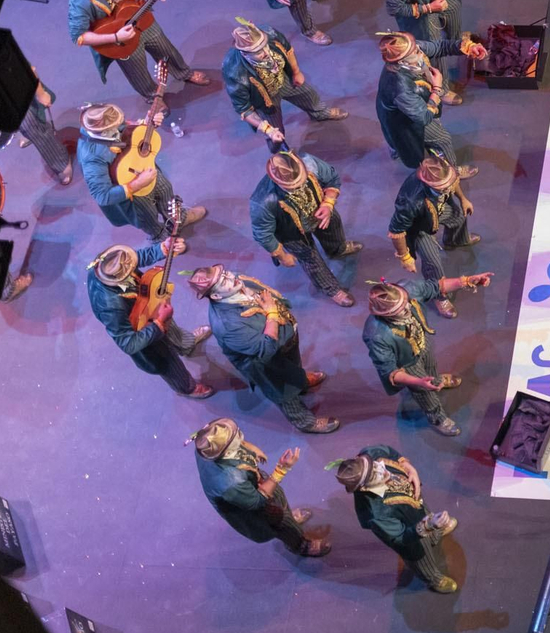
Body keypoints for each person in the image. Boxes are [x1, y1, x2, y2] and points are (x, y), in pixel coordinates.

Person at [188, 264, 340, 434]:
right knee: (283, 391)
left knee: (294, 367)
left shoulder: (235, 282)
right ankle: (305, 422)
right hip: (266, 362)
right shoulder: (228, 325)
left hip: (284, 342)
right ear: (215, 295)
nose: (232, 277)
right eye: (223, 280)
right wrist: (272, 313)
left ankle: (301, 381)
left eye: (225, 273)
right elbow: (266, 349)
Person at [66, 0, 210, 111]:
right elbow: (79, 37)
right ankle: (153, 97)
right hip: (119, 40)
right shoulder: (79, 1)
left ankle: (184, 73)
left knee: (166, 50)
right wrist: (116, 37)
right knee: (137, 71)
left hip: (143, 19)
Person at [362, 278, 491, 437]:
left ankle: (437, 381)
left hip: (422, 340)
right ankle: (437, 418)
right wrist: (418, 382)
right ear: (386, 314)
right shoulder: (376, 335)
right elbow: (390, 371)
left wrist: (466, 281)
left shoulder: (408, 289)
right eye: (399, 309)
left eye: (405, 302)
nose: (406, 307)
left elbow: (438, 286)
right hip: (407, 363)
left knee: (431, 367)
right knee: (424, 392)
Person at [87, 241, 214, 399]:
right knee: (168, 363)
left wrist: (163, 248)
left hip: (147, 308)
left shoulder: (109, 262)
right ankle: (186, 388)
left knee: (171, 328)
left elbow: (136, 257)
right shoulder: (111, 307)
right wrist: (158, 323)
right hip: (142, 334)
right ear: (119, 280)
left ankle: (186, 344)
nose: (133, 266)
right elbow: (128, 343)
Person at [190, 417, 329, 557]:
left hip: (251, 482)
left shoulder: (207, 449)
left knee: (279, 499)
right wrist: (282, 469)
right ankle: (300, 545)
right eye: (237, 435)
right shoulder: (231, 483)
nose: (239, 433)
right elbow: (258, 501)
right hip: (252, 504)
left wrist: (252, 449)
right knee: (280, 522)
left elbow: (232, 445)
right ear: (227, 451)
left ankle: (290, 518)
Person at [333, 445, 461, 593]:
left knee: (427, 518)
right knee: (420, 556)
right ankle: (433, 578)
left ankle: (435, 534)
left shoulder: (371, 455)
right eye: (373, 475)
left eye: (374, 466)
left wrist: (409, 467)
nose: (380, 470)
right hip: (411, 535)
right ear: (363, 488)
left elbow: (387, 451)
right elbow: (400, 538)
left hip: (415, 506)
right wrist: (427, 525)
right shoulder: (377, 513)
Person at [76, 103, 206, 240]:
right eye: (115, 127)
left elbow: (128, 131)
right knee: (148, 217)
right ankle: (161, 240)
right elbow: (102, 195)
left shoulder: (106, 123)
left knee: (165, 189)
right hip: (130, 194)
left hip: (142, 167)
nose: (120, 126)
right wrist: (137, 184)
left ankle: (179, 219)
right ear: (104, 131)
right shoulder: (91, 158)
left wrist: (148, 124)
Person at [249, 151, 363, 308]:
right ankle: (331, 289)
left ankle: (338, 249)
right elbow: (263, 234)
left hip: (318, 210)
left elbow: (332, 178)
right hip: (290, 231)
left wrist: (328, 204)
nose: (300, 186)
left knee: (333, 225)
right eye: (294, 186)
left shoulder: (309, 163)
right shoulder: (263, 201)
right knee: (310, 258)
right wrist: (283, 256)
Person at [222, 18, 348, 151]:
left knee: (308, 94)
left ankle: (320, 113)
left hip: (284, 79)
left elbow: (288, 50)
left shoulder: (269, 33)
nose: (265, 53)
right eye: (257, 52)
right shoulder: (234, 71)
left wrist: (296, 72)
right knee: (276, 133)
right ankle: (281, 153)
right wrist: (268, 130)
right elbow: (244, 109)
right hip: (265, 100)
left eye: (263, 46)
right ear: (244, 53)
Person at [387, 155, 481, 316]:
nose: (447, 187)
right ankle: (439, 296)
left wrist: (463, 199)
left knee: (458, 216)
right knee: (433, 263)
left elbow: (454, 183)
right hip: (419, 227)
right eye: (442, 187)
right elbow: (396, 231)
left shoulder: (445, 170)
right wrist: (405, 257)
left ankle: (455, 240)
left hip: (437, 210)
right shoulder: (410, 201)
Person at [375, 32, 473, 170]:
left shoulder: (413, 52)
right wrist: (437, 88)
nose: (420, 50)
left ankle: (396, 148)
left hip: (409, 105)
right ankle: (450, 173)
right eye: (415, 51)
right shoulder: (400, 87)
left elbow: (439, 47)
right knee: (442, 139)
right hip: (404, 118)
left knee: (397, 140)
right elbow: (424, 117)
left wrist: (466, 47)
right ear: (402, 61)